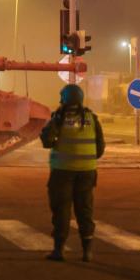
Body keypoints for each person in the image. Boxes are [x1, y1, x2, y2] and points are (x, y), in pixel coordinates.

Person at [39, 83, 105, 262]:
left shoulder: (60, 118)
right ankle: (87, 252)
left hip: (62, 172)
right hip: (87, 172)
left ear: (66, 99)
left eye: (62, 98)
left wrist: (50, 126)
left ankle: (59, 250)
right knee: (85, 210)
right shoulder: (92, 118)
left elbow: (47, 141)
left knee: (61, 210)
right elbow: (100, 148)